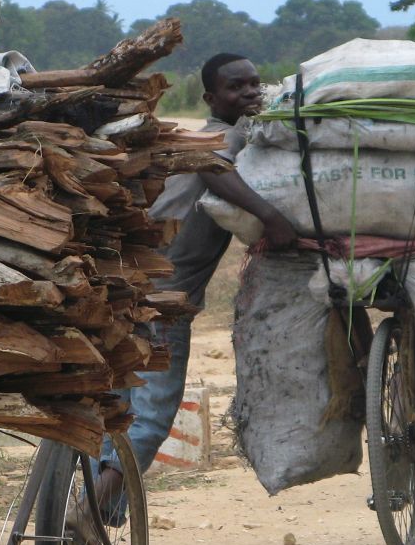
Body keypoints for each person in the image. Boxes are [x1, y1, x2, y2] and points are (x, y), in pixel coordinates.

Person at [90, 53, 297, 514]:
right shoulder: (220, 138)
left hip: (125, 286)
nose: (248, 94)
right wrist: (271, 216)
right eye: (234, 87)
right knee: (151, 416)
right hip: (162, 297)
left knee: (116, 417)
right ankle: (89, 513)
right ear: (210, 97)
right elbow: (210, 166)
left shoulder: (224, 135)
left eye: (253, 85)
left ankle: (88, 521)